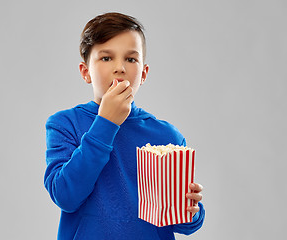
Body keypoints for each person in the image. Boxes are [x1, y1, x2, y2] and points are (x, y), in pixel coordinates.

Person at [44, 12, 205, 240]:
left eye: (131, 59)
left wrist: (191, 210)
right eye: (106, 58)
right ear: (85, 71)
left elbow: (183, 223)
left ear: (144, 74)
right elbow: (65, 196)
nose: (119, 68)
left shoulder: (167, 135)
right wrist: (105, 123)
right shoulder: (64, 124)